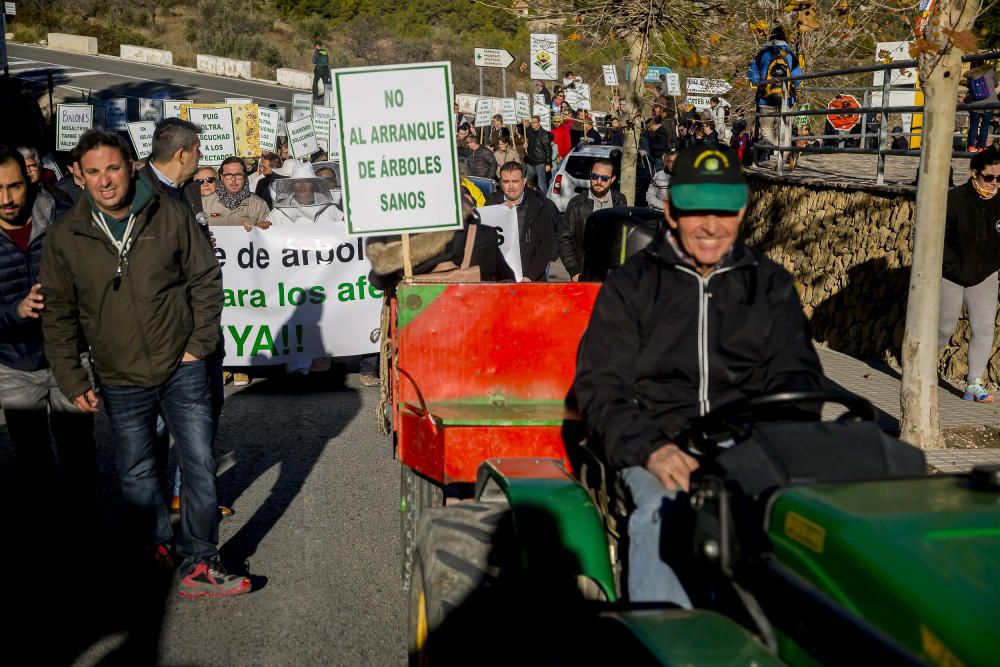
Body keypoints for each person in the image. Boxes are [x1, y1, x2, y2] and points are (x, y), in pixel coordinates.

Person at [573, 145, 824, 606]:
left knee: (815, 525)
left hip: (749, 447)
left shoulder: (770, 285)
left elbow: (801, 382)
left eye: (724, 210)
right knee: (663, 514)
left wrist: (764, 449)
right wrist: (653, 449)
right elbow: (601, 388)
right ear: (670, 210)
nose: (711, 225)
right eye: (696, 209)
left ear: (743, 209)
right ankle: (668, 637)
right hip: (659, 446)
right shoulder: (631, 285)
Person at [40, 129, 251, 597]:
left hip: (184, 366)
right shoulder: (65, 235)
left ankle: (201, 561)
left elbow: (204, 280)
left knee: (198, 463)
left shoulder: (172, 214)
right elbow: (57, 313)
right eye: (92, 171)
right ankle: (155, 546)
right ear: (79, 175)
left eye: (112, 168)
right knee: (136, 472)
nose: (104, 180)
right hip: (119, 376)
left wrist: (199, 343)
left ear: (130, 166)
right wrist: (72, 376)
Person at [0, 145, 95, 508]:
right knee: (33, 458)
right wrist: (15, 311)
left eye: (14, 186)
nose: (7, 199)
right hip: (15, 364)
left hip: (70, 357)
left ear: (29, 179)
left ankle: (82, 525)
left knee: (78, 452)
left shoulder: (62, 216)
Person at [937, 149, 1000, 402]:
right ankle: (924, 371)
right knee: (944, 327)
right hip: (950, 274)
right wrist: (949, 265)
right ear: (974, 174)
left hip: (984, 274)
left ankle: (974, 382)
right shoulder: (954, 200)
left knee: (984, 329)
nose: (995, 183)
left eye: (999, 179)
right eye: (989, 178)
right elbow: (938, 238)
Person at [485, 161, 557, 282]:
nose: (511, 186)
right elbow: (482, 240)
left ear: (524, 182)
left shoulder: (539, 205)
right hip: (499, 280)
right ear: (500, 183)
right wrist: (497, 211)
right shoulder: (491, 203)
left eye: (515, 181)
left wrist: (530, 276)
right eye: (506, 182)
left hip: (530, 279)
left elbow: (546, 245)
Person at [559, 158, 626, 281]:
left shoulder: (620, 201)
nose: (599, 181)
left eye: (604, 178)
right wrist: (574, 271)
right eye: (595, 176)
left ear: (613, 179)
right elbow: (564, 239)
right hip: (585, 273)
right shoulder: (576, 204)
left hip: (613, 275)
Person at [747, 26, 803, 167]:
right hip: (786, 98)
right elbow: (798, 79)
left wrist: (762, 83)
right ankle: (787, 153)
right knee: (785, 129)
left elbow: (752, 77)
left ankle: (784, 153)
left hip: (766, 99)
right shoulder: (789, 54)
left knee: (766, 131)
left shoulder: (762, 54)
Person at [137, 118, 204, 214]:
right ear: (181, 155)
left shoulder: (191, 189)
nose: (201, 155)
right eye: (197, 149)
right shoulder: (137, 191)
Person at [202, 156, 270, 229]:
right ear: (221, 177)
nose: (233, 179)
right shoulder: (205, 204)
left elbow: (265, 235)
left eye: (238, 175)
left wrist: (261, 228)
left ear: (245, 176)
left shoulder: (259, 205)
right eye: (228, 175)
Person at [963, 63, 997, 153]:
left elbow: (970, 87)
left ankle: (971, 147)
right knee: (985, 126)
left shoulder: (970, 74)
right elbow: (996, 84)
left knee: (974, 126)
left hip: (976, 103)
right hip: (990, 102)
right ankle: (981, 148)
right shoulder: (990, 70)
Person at [524, 116, 553, 193]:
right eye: (531, 122)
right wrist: (526, 145)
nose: (532, 124)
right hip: (531, 163)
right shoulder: (530, 132)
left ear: (539, 122)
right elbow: (530, 145)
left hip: (540, 163)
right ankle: (529, 197)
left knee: (542, 184)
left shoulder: (544, 134)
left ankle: (544, 200)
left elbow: (548, 150)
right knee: (527, 181)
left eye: (534, 122)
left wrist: (548, 163)